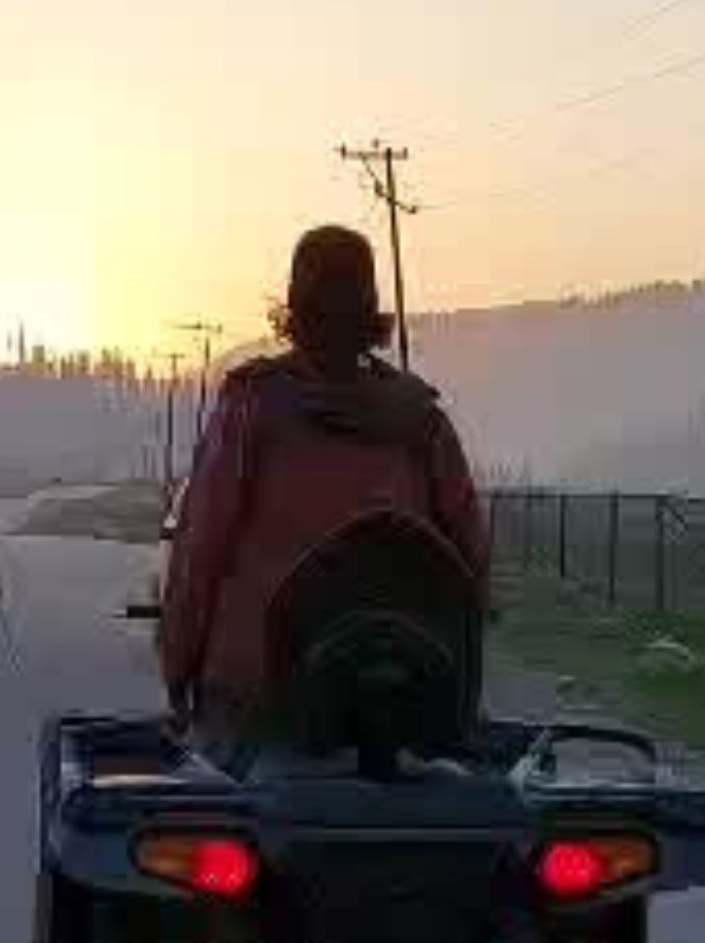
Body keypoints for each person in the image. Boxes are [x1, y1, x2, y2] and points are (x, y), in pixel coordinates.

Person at [158, 225, 489, 770]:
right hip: (404, 688)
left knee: (218, 815)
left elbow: (200, 552)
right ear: (373, 312)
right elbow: (470, 563)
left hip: (261, 690)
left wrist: (178, 669)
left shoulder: (252, 408)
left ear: (293, 309)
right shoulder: (422, 421)